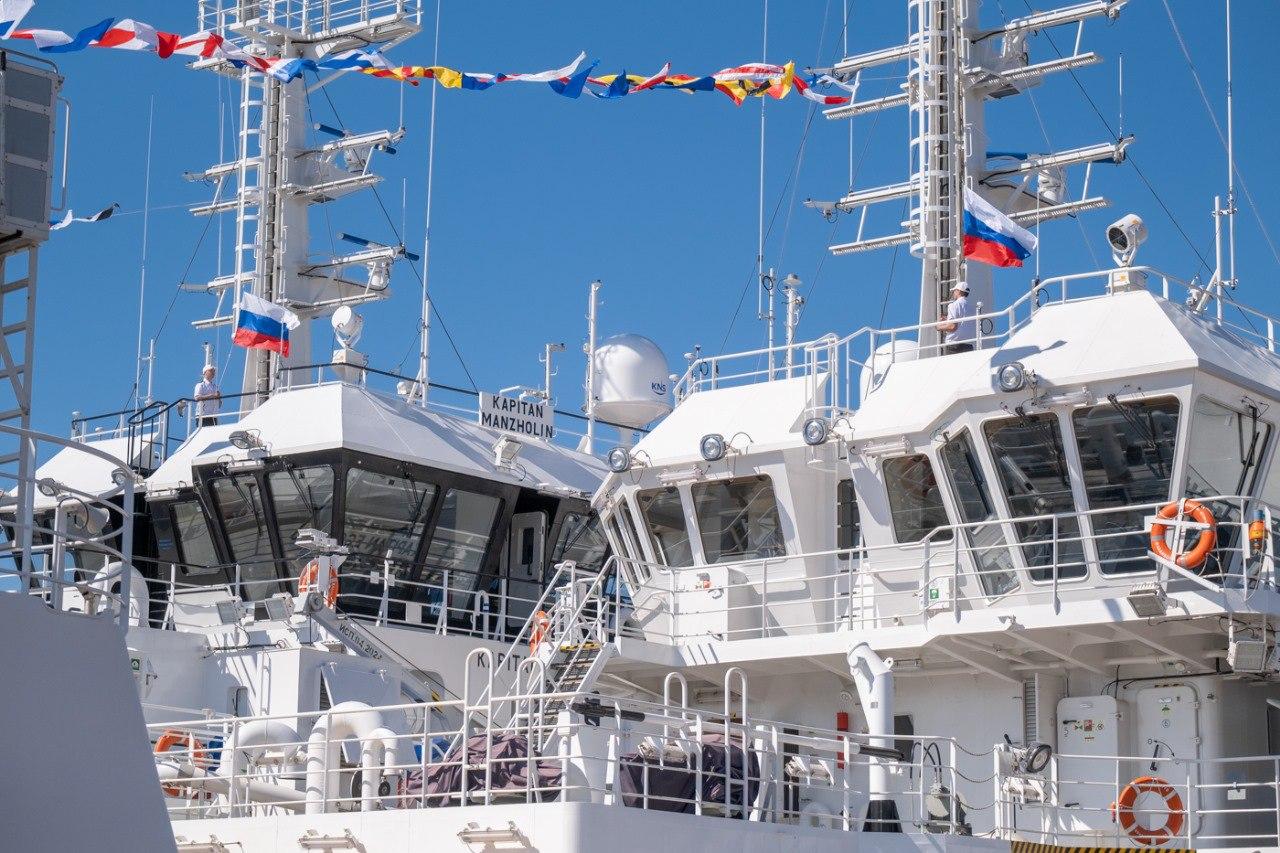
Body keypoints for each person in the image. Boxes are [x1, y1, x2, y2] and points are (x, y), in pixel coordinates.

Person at [936, 281, 975, 354]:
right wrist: (948, 319)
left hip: (954, 345)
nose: (953, 293)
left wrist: (938, 327)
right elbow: (963, 321)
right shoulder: (972, 308)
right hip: (968, 345)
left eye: (954, 291)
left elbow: (952, 327)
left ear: (958, 291)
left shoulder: (954, 305)